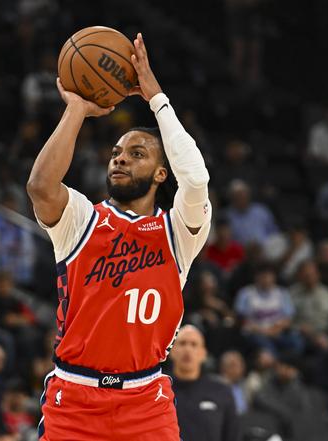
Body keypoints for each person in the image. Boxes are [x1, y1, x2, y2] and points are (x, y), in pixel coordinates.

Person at [26, 33, 211, 440]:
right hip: (74, 399)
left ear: (161, 173)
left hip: (146, 401)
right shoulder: (81, 219)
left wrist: (156, 99)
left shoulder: (179, 232)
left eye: (137, 154)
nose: (121, 158)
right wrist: (77, 109)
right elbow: (40, 186)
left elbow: (196, 179)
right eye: (116, 153)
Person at [170, 325, 241, 441]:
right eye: (182, 343)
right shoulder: (159, 390)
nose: (187, 349)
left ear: (203, 354)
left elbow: (232, 435)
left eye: (194, 344)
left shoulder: (221, 391)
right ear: (171, 351)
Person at [234, 265, 303, 356]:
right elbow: (242, 320)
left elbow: (288, 318)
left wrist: (276, 330)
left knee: (296, 342)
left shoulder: (282, 293)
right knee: (267, 347)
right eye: (263, 276)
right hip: (256, 333)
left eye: (269, 276)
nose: (266, 280)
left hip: (277, 331)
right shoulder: (246, 293)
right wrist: (265, 332)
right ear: (256, 277)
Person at [219, 350, 249, 415]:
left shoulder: (243, 385)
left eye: (241, 365)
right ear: (225, 367)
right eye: (236, 365)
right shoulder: (217, 387)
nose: (241, 369)